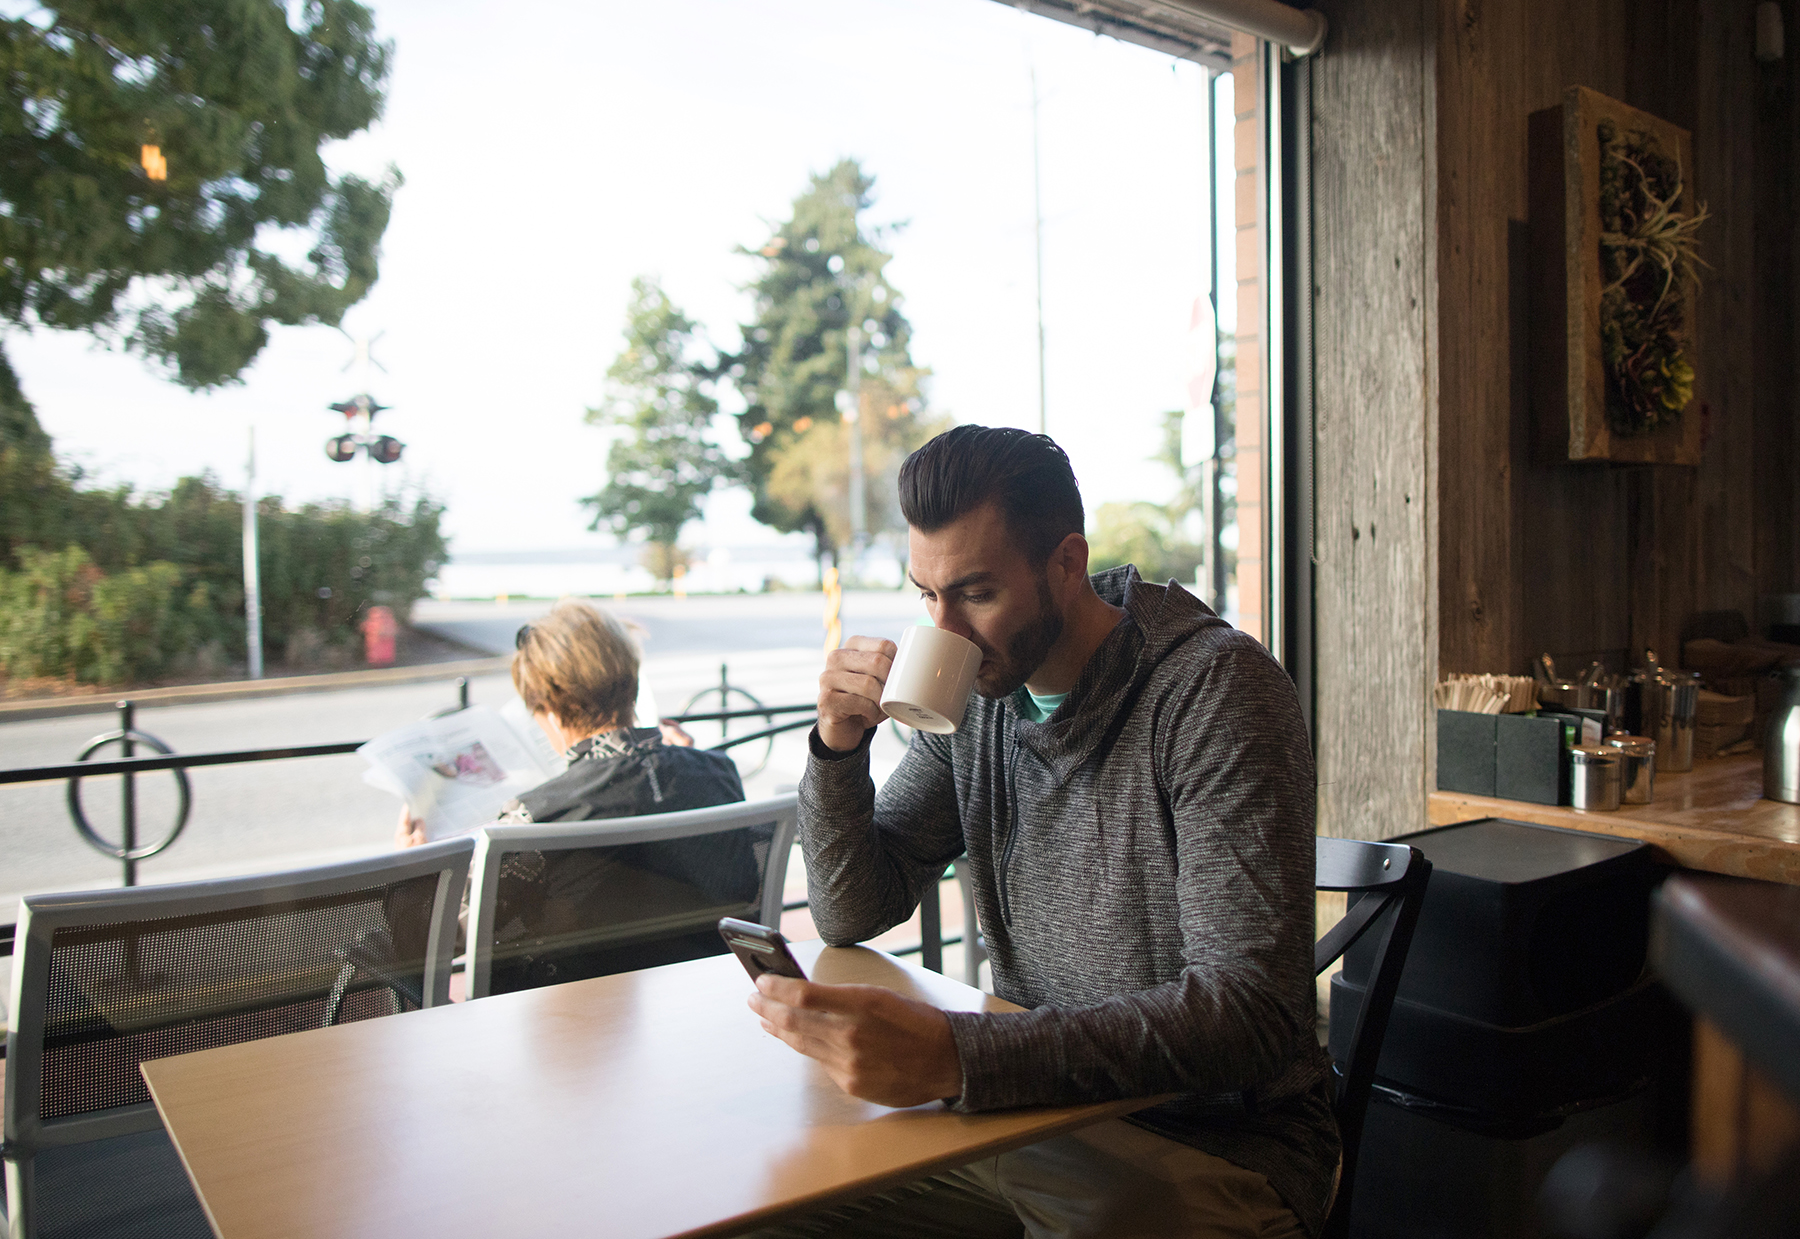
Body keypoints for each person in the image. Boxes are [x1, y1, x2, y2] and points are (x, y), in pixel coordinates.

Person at [748, 426, 1337, 1238]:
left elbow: (1251, 1014)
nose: (944, 631)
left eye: (976, 593)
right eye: (926, 595)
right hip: (1023, 1115)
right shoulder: (983, 694)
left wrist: (960, 1057)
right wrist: (837, 750)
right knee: (774, 1204)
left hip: (1213, 1146)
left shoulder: (1214, 692)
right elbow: (854, 909)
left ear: (1066, 562)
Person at [396, 599, 753, 985]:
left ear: (548, 709)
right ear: (631, 683)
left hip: (575, 1026)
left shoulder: (533, 819)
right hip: (697, 998)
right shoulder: (719, 772)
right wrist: (684, 762)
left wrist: (414, 872)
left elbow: (433, 939)